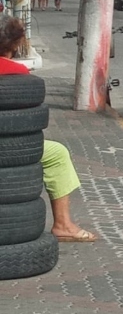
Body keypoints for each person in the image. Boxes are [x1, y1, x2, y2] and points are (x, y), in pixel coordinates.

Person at [0, 16, 97, 242]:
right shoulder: (19, 77)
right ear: (16, 44)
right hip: (10, 151)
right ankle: (63, 224)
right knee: (57, 153)